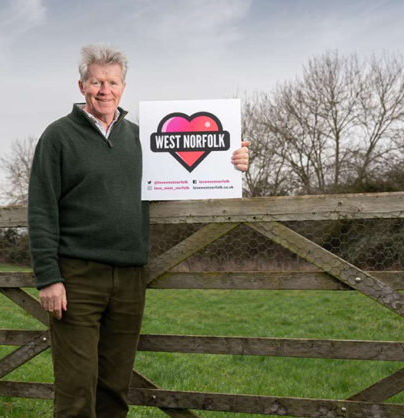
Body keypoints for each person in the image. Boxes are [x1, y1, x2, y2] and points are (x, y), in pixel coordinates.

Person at [28, 44, 249, 418]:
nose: (104, 90)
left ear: (123, 87)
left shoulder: (142, 139)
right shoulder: (58, 137)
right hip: (77, 278)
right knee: (77, 388)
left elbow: (187, 176)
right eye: (96, 82)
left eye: (112, 82)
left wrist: (232, 162)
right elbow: (41, 208)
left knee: (115, 388)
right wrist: (49, 278)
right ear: (81, 86)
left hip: (131, 278)